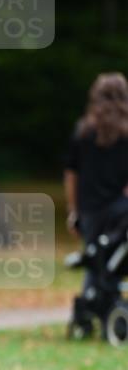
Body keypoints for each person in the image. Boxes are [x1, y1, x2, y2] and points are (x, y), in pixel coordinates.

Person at [64, 71, 128, 250]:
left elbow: (71, 174)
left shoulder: (83, 131)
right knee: (110, 265)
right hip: (121, 209)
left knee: (96, 262)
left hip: (89, 210)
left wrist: (73, 211)